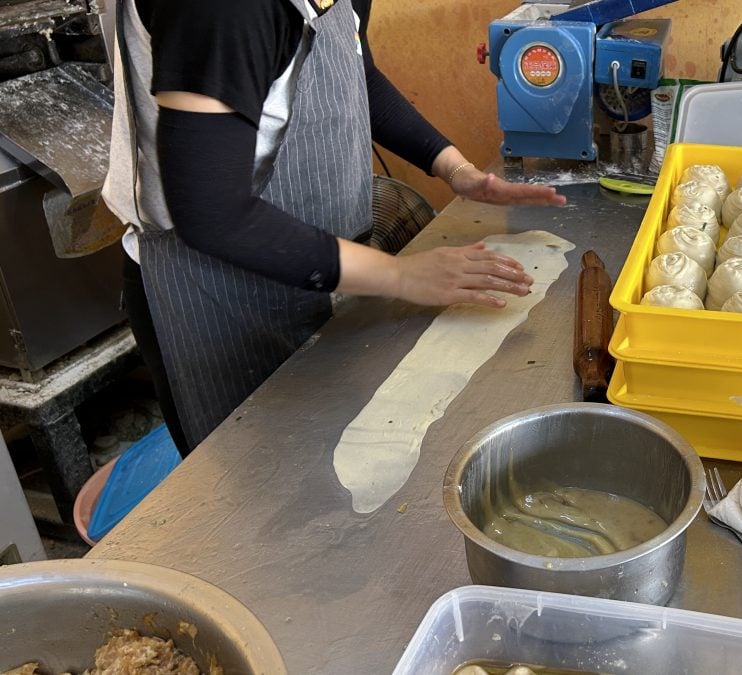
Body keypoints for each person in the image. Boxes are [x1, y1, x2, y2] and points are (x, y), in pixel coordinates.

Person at [102, 0, 565, 455]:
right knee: (255, 492)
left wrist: (455, 169)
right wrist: (402, 275)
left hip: (319, 265)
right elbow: (212, 214)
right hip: (211, 293)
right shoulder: (222, 10)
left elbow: (350, 62)